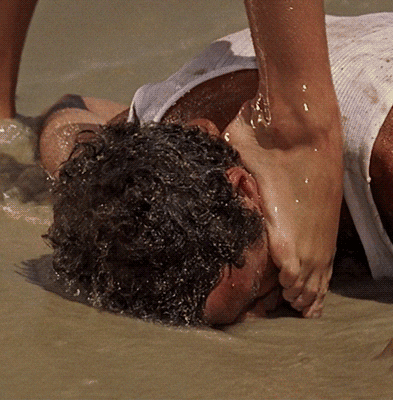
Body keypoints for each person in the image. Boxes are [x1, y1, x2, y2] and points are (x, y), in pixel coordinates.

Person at [2, 1, 345, 324]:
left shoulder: (372, 164)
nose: (260, 314)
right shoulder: (152, 134)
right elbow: (70, 110)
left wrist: (303, 130)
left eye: (253, 294)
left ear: (244, 188)